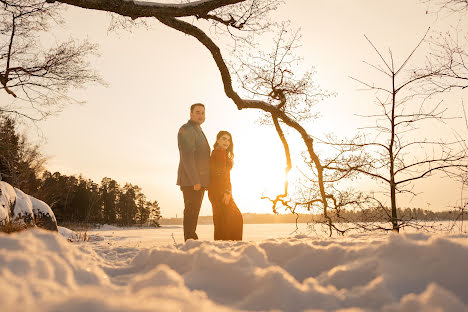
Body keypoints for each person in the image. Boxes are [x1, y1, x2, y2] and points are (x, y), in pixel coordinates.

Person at [177, 103, 211, 241]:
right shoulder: (187, 129)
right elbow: (187, 156)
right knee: (191, 212)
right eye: (197, 112)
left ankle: (191, 241)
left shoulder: (198, 129)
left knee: (194, 212)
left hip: (199, 180)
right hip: (191, 181)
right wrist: (195, 180)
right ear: (191, 114)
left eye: (202, 113)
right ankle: (190, 241)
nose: (200, 115)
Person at [208, 131, 243, 240]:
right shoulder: (219, 153)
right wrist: (227, 192)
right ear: (217, 140)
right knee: (233, 219)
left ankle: (225, 247)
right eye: (223, 138)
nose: (226, 142)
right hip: (220, 191)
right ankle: (228, 247)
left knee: (224, 221)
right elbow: (221, 174)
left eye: (228, 140)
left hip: (220, 190)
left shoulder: (220, 153)